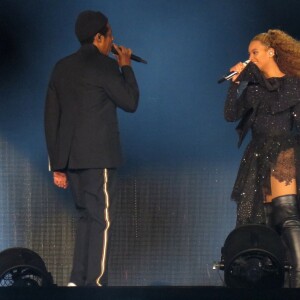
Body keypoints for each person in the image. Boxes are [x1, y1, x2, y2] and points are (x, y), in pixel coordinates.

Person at [44, 10, 139, 287]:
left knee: (86, 217)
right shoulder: (105, 66)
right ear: (99, 37)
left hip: (72, 159)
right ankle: (94, 284)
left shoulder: (61, 67)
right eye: (110, 35)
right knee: (100, 221)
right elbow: (130, 102)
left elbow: (51, 117)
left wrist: (57, 165)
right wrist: (126, 66)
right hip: (99, 158)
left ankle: (77, 280)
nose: (112, 40)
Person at [224, 29, 300, 287]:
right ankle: (276, 278)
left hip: (283, 150)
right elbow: (231, 114)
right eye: (248, 54)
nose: (250, 57)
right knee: (265, 218)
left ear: (271, 52)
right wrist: (235, 85)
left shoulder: (291, 83)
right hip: (257, 154)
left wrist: (252, 75)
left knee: (287, 213)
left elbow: (277, 102)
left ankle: (299, 276)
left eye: (254, 52)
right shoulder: (253, 87)